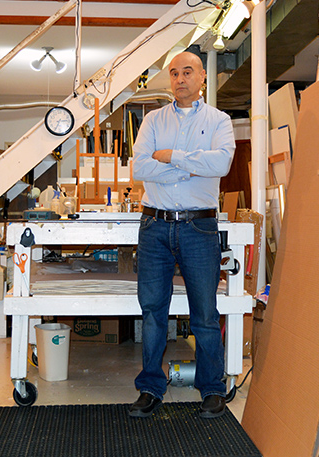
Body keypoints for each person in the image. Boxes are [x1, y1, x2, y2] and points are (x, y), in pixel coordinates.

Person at [128, 51, 236, 419]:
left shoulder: (219, 120)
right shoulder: (153, 119)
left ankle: (212, 389)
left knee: (204, 313)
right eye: (174, 73)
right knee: (152, 310)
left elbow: (220, 163)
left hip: (199, 226)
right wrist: (189, 167)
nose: (179, 78)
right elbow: (139, 167)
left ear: (203, 76)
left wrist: (170, 156)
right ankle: (150, 388)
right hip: (154, 225)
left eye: (187, 71)